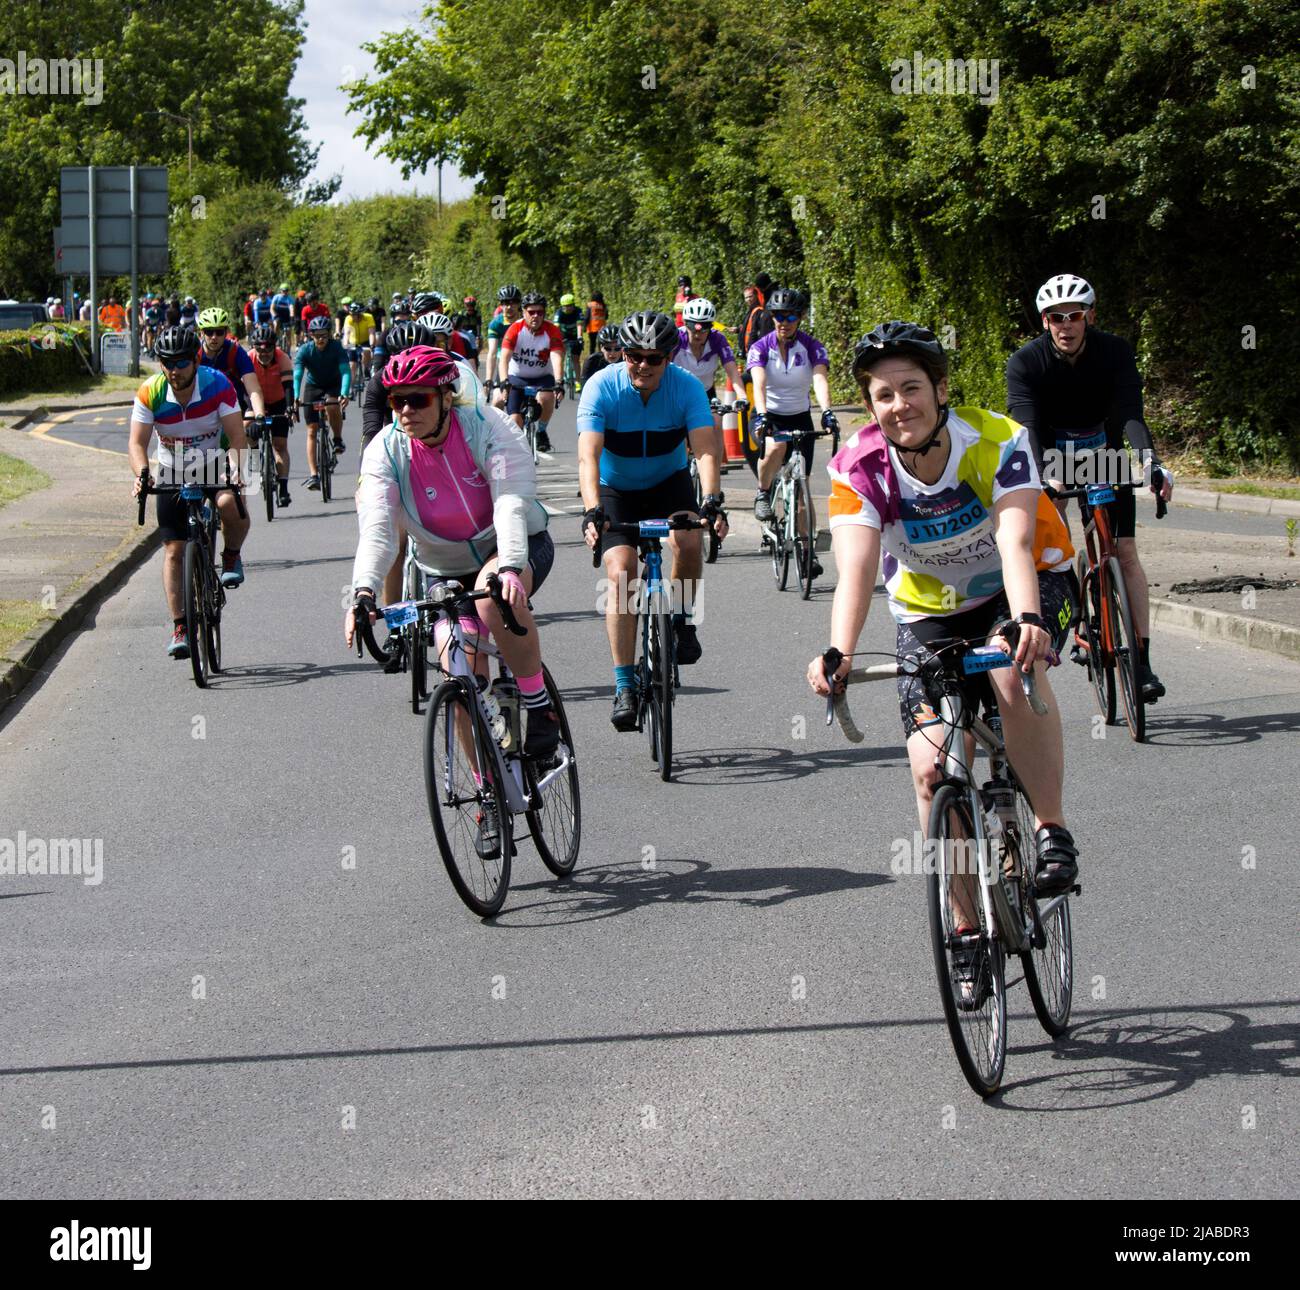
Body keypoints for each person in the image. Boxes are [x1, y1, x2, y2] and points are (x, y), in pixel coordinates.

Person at [808, 321, 1081, 922]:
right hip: (929, 612)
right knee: (931, 772)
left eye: (911, 388)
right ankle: (963, 929)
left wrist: (1028, 620)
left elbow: (1014, 543)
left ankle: (1051, 829)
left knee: (1009, 670)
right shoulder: (859, 464)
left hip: (1030, 584)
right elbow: (854, 567)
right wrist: (838, 651)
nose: (899, 405)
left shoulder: (994, 438)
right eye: (883, 395)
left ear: (939, 387)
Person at [346, 346, 560, 858]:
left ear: (446, 397)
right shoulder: (386, 451)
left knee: (491, 602)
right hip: (443, 566)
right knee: (456, 667)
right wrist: (362, 591)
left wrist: (509, 565)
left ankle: (538, 703)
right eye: (397, 400)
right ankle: (488, 794)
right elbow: (378, 531)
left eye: (417, 399)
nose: (405, 411)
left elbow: (510, 500)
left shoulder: (487, 426)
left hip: (512, 543)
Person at [1006, 273, 1174, 702]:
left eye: (1074, 316)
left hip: (1104, 450)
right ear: (1045, 322)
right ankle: (1074, 612)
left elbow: (1129, 414)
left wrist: (1151, 462)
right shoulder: (1026, 362)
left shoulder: (1114, 351)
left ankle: (1143, 661)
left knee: (1126, 554)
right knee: (1053, 548)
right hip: (1052, 455)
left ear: (1089, 316)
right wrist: (1045, 471)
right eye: (1056, 317)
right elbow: (1026, 426)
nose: (1066, 325)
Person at [578, 311, 728, 730]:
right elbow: (588, 456)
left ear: (669, 357)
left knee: (690, 542)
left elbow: (705, 450)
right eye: (632, 355)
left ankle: (681, 619)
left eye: (653, 358)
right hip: (616, 489)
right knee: (621, 572)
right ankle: (624, 684)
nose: (642, 365)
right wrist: (592, 509)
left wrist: (712, 500)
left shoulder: (686, 388)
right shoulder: (601, 387)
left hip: (669, 483)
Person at [128, 324, 250, 657]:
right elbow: (137, 443)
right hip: (172, 467)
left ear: (195, 360)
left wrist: (236, 469)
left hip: (215, 459)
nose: (174, 370)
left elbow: (238, 438)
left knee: (229, 503)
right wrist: (141, 473)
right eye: (167, 362)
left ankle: (231, 555)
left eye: (181, 362)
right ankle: (180, 626)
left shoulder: (217, 384)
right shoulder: (150, 392)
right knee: (173, 550)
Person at [748, 288, 838, 583]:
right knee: (774, 450)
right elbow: (759, 384)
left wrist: (827, 411)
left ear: (799, 318)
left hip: (800, 416)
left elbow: (820, 377)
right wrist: (762, 415)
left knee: (803, 490)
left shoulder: (811, 346)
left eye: (789, 317)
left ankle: (808, 549)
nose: (783, 322)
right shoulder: (761, 347)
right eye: (777, 316)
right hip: (769, 414)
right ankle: (763, 493)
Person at [674, 298, 746, 443]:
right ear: (685, 324)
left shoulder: (718, 339)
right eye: (691, 327)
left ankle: (715, 465)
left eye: (703, 329)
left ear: (711, 327)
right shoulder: (675, 338)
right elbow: (661, 369)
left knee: (716, 427)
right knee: (677, 435)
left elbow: (732, 371)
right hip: (677, 393)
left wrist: (743, 397)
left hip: (705, 393)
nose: (697, 334)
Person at [498, 291, 563, 454]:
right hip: (517, 377)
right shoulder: (515, 329)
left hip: (543, 377)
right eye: (531, 312)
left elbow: (556, 357)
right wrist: (504, 381)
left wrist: (559, 382)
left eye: (540, 312)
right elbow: (504, 358)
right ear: (524, 312)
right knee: (515, 420)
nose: (535, 316)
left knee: (547, 397)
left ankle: (541, 431)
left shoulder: (552, 330)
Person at [294, 314, 352, 490]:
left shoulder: (336, 348)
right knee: (312, 430)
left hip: (333, 384)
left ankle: (337, 439)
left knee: (332, 405)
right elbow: (297, 375)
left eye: (324, 335)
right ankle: (313, 475)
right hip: (313, 386)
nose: (321, 339)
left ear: (329, 334)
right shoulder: (305, 350)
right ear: (311, 335)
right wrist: (296, 396)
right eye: (317, 335)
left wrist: (344, 393)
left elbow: (345, 372)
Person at [249, 322, 297, 508]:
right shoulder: (249, 359)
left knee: (280, 445)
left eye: (268, 348)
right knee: (247, 428)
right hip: (256, 401)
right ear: (254, 348)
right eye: (260, 349)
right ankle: (254, 457)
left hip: (278, 402)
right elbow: (244, 389)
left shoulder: (282, 358)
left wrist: (289, 408)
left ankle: (283, 487)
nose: (264, 353)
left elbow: (288, 387)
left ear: (274, 347)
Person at [196, 307, 266, 420]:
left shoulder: (235, 351)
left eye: (219, 332)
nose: (214, 337)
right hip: (204, 406)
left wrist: (260, 415)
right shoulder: (194, 354)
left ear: (226, 332)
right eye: (209, 332)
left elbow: (253, 388)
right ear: (202, 333)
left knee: (250, 427)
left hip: (235, 405)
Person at [484, 284, 522, 401]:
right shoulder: (496, 324)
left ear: (519, 304)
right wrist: (488, 379)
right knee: (497, 401)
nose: (509, 306)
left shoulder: (526, 319)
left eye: (513, 302)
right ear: (501, 305)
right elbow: (492, 353)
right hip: (506, 361)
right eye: (505, 303)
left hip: (525, 360)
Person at [342, 300, 377, 387]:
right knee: (352, 365)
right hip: (352, 343)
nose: (353, 316)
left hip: (365, 342)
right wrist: (346, 345)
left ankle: (366, 369)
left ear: (360, 313)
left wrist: (372, 346)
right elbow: (346, 334)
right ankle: (351, 387)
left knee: (366, 352)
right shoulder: (348, 319)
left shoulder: (368, 317)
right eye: (352, 314)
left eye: (355, 315)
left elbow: (371, 333)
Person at [554, 292, 584, 385]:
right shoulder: (559, 313)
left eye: (570, 306)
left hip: (575, 337)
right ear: (562, 306)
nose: (567, 308)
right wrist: (557, 339)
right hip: (563, 336)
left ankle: (578, 382)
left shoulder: (578, 311)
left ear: (573, 305)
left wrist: (580, 337)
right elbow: (556, 328)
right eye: (565, 306)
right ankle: (560, 379)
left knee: (576, 359)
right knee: (560, 357)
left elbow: (579, 325)